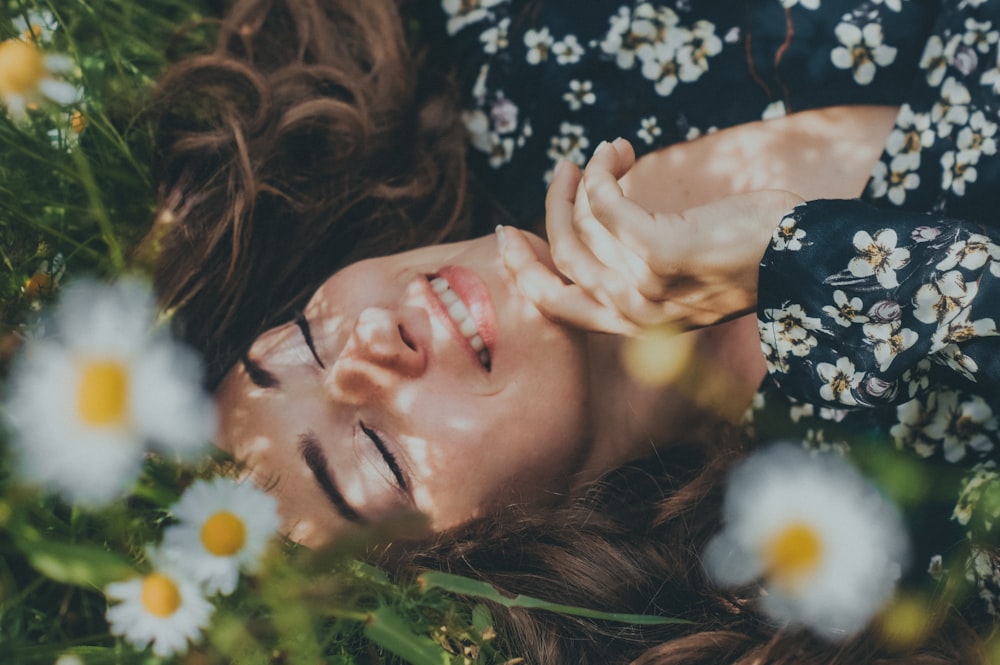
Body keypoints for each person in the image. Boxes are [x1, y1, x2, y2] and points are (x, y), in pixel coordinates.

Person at [146, 0, 1000, 658]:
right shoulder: (884, 535)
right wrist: (793, 261)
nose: (371, 336)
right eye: (376, 448)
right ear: (491, 559)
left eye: (306, 338)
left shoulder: (519, 62)